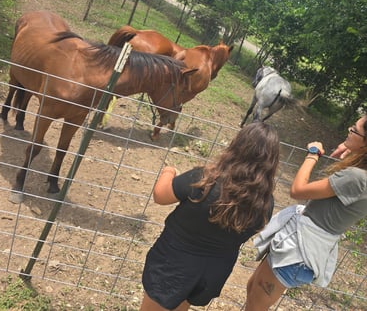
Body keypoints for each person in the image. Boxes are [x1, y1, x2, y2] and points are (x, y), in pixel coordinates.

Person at [139, 122, 280, 311]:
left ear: (237, 146)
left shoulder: (204, 180)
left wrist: (168, 171)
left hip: (173, 263)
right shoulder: (264, 203)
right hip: (211, 272)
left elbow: (160, 195)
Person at [245, 114, 367, 310]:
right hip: (301, 249)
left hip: (298, 251)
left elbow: (297, 190)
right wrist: (353, 149)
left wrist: (312, 154)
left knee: (255, 305)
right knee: (253, 290)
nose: (348, 130)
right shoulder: (361, 174)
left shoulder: (355, 177)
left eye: (354, 130)